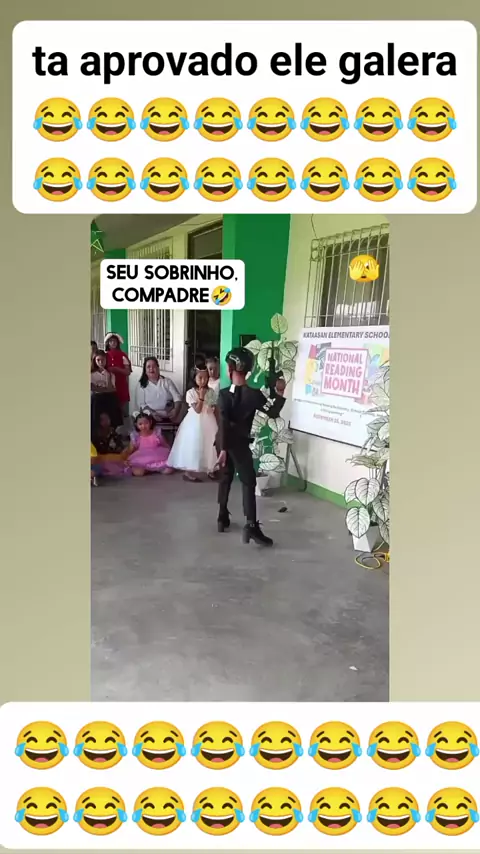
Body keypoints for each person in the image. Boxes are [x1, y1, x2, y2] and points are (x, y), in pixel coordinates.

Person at [216, 346, 286, 546]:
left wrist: (222, 449)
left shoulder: (223, 394)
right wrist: (279, 392)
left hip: (222, 442)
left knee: (226, 478)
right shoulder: (254, 395)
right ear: (248, 370)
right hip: (239, 445)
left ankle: (222, 516)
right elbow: (273, 411)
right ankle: (251, 526)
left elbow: (223, 422)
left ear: (230, 369)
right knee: (248, 482)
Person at [167, 366, 218, 482]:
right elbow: (198, 410)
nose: (203, 380)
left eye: (206, 378)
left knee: (210, 442)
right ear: (194, 378)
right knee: (192, 443)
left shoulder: (211, 392)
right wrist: (201, 396)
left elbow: (213, 408)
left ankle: (211, 468)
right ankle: (188, 472)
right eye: (200, 378)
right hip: (194, 422)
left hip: (209, 419)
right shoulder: (190, 393)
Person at [134, 357, 183, 428]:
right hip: (150, 417)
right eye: (148, 367)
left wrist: (176, 410)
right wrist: (152, 413)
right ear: (145, 370)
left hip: (169, 415)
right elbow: (142, 405)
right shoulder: (141, 385)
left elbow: (177, 397)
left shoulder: (166, 381)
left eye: (154, 366)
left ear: (158, 368)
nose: (151, 369)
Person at [124, 410, 173, 477]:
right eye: (140, 424)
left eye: (146, 423)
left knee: (168, 470)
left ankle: (156, 468)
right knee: (138, 473)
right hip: (142, 458)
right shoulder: (136, 436)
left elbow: (165, 444)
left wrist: (171, 454)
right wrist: (126, 459)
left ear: (150, 422)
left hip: (157, 457)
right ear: (136, 424)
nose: (143, 426)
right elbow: (131, 449)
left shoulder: (156, 433)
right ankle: (147, 469)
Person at [91, 350, 123, 429]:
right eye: (98, 360)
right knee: (95, 398)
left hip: (107, 397)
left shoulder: (110, 374)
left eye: (103, 360)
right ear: (94, 361)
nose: (101, 362)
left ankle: (114, 427)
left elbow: (112, 389)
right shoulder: (91, 374)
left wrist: (108, 377)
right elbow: (93, 388)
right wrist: (105, 390)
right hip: (95, 398)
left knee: (113, 397)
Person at [92, 411, 129, 477]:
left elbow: (120, 448)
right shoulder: (95, 434)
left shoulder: (113, 433)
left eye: (107, 419)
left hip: (114, 458)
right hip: (101, 459)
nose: (105, 421)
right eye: (102, 419)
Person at [104, 332, 132, 419]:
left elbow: (127, 372)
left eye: (115, 341)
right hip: (108, 384)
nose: (113, 343)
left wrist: (116, 369)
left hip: (121, 384)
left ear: (118, 343)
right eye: (111, 341)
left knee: (121, 405)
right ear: (107, 343)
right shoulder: (104, 355)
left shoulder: (123, 355)